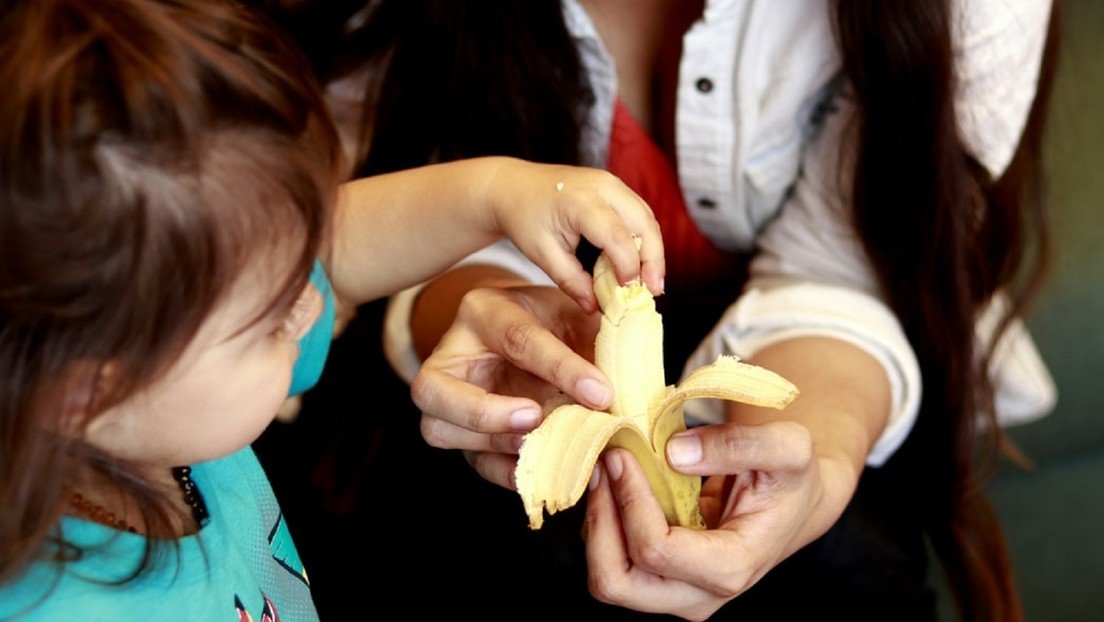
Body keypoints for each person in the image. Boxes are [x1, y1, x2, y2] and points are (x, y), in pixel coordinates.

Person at [280, 0, 1061, 619]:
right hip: (459, 386)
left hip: (829, 364)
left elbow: (844, 270)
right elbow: (375, 218)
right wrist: (479, 314)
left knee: (844, 562)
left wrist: (813, 478)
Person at [0, 1, 663, 619]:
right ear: (90, 392)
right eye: (271, 315)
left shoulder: (157, 396)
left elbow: (343, 252)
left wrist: (495, 193)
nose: (315, 300)